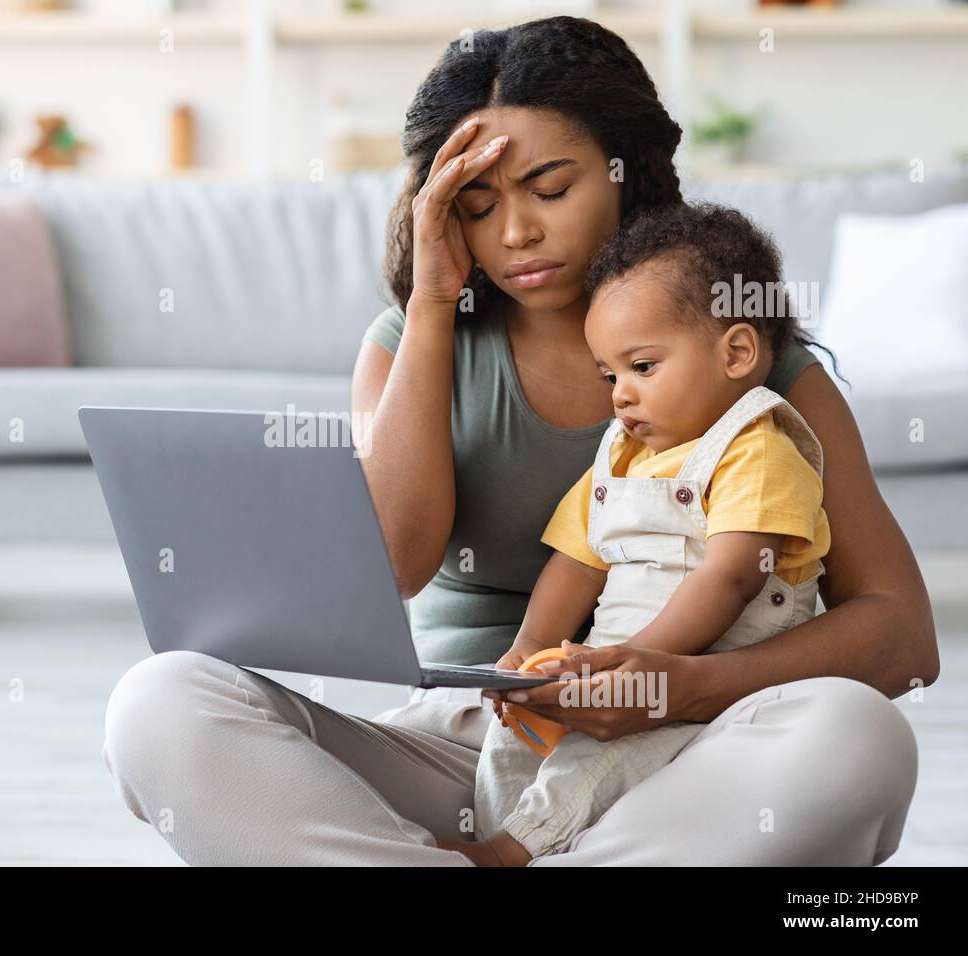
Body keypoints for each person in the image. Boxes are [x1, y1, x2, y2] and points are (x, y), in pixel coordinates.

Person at [102, 17, 935, 866]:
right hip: (472, 740)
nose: (515, 235)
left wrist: (680, 688)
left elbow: (904, 641)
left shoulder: (750, 363)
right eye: (477, 205)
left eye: (549, 188)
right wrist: (431, 305)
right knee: (160, 701)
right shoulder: (408, 342)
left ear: (625, 171)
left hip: (697, 751)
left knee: (857, 734)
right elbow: (394, 562)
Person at [466, 202, 832, 866]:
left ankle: (515, 851)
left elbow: (732, 575)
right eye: (609, 375)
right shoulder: (619, 457)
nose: (619, 395)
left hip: (700, 686)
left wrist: (638, 664)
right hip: (612, 664)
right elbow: (576, 563)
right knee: (515, 738)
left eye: (642, 367)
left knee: (604, 758)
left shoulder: (760, 451)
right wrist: (526, 652)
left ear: (738, 352)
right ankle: (500, 837)